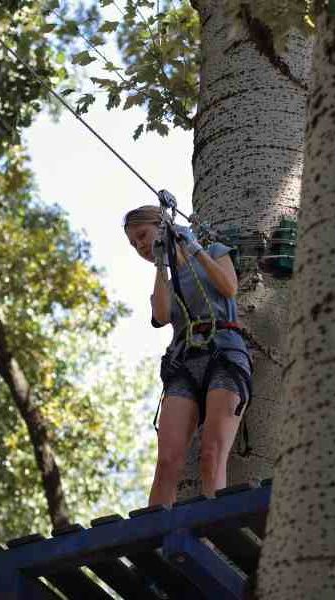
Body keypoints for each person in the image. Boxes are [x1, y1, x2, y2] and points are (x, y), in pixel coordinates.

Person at [123, 204, 253, 506]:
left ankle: (213, 531)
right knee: (167, 461)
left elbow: (229, 287)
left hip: (223, 352)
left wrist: (192, 246)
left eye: (142, 235)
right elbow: (161, 314)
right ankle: (152, 536)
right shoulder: (165, 283)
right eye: (134, 244)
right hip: (183, 361)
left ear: (162, 224)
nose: (140, 245)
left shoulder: (214, 252)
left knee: (211, 454)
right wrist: (159, 263)